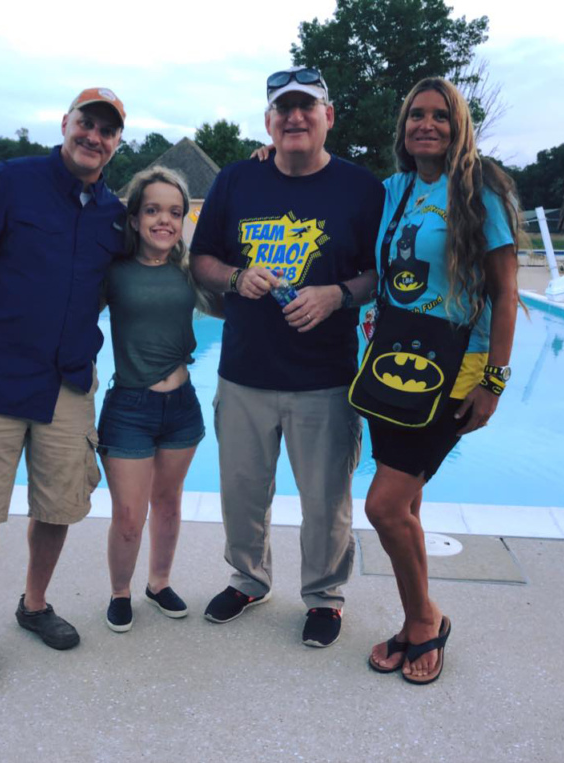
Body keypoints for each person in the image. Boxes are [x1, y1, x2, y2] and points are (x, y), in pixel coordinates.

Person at [0, 87, 127, 693]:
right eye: (86, 123)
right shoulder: (9, 182)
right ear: (65, 124)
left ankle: (33, 604)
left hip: (67, 382)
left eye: (107, 130)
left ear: (117, 143)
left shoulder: (112, 212)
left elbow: (157, 247)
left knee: (58, 505)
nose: (94, 136)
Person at [190, 66, 384, 648]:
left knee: (327, 501)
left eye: (307, 107)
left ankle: (325, 597)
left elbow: (385, 273)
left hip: (325, 378)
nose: (294, 117)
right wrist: (237, 275)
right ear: (269, 121)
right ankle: (248, 579)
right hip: (245, 374)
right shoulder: (234, 181)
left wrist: (337, 294)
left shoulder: (361, 188)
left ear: (328, 116)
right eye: (283, 109)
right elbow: (201, 260)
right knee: (242, 493)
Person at [365, 77, 520, 685]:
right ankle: (414, 620)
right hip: (390, 367)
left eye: (440, 116)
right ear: (404, 127)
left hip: (455, 371)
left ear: (458, 126)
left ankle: (425, 622)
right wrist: (272, 159)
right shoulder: (394, 189)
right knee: (407, 504)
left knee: (383, 506)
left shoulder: (480, 190)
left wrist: (496, 381)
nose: (426, 125)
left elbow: (506, 294)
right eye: (415, 116)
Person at [98, 167, 215, 633]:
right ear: (134, 218)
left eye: (174, 211)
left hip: (182, 406)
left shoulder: (190, 272)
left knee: (168, 503)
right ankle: (120, 591)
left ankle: (159, 582)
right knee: (129, 515)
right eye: (152, 210)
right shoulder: (113, 273)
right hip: (129, 409)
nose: (164, 220)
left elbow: (232, 304)